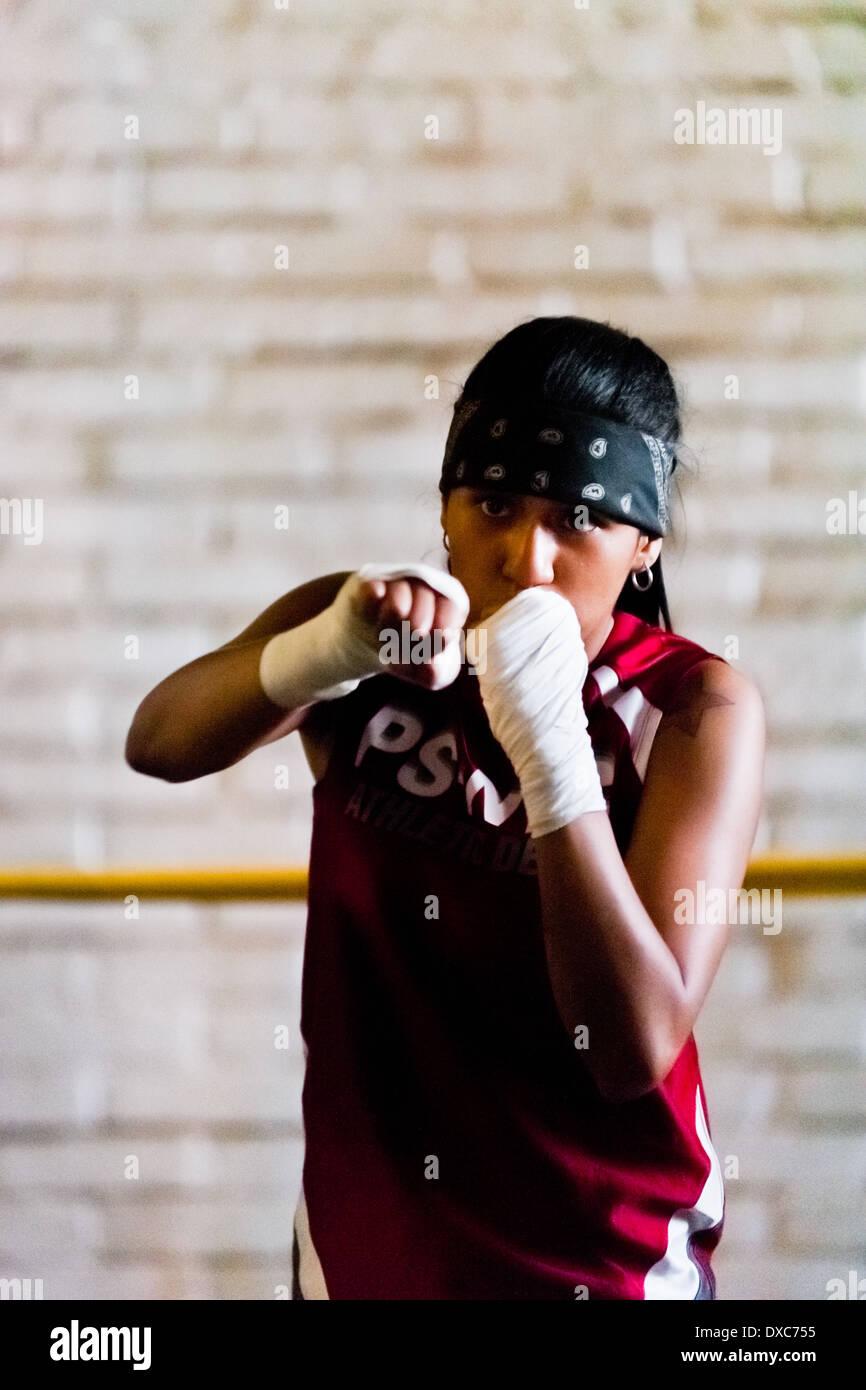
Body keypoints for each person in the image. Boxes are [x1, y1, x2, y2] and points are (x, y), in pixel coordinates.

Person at [126, 315, 765, 1300]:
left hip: (598, 1258)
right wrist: (319, 652)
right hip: (365, 1249)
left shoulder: (689, 707)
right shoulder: (373, 636)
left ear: (642, 544)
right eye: (495, 504)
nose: (528, 558)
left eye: (579, 519)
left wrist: (550, 748)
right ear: (445, 509)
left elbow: (629, 1046)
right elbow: (158, 742)